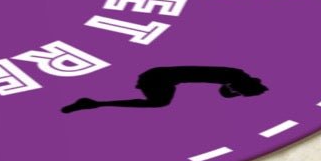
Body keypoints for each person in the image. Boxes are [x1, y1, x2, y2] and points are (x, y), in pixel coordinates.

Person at [62, 65, 268, 113]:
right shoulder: (233, 76)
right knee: (159, 103)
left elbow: (225, 91)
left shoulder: (233, 75)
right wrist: (235, 91)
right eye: (240, 92)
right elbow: (226, 93)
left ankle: (95, 103)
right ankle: (95, 103)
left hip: (161, 76)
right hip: (158, 77)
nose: (237, 93)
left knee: (159, 103)